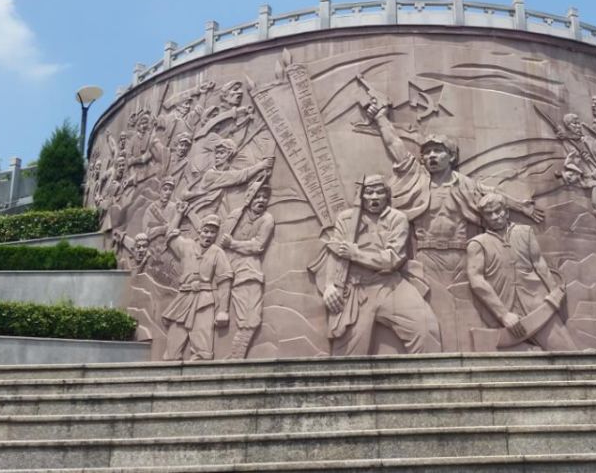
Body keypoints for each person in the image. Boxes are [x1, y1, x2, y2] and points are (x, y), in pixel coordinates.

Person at [365, 98, 543, 351]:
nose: (431, 156)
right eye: (426, 152)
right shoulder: (416, 180)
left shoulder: (467, 185)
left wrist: (523, 207)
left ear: (451, 156)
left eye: (437, 151)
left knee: (470, 308)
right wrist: (381, 118)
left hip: (461, 255)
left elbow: (495, 196)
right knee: (430, 309)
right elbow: (395, 146)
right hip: (427, 257)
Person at [308, 175, 441, 356]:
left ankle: (427, 380)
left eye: (379, 192)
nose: (374, 197)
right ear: (361, 196)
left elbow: (393, 259)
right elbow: (335, 251)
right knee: (347, 355)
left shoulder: (397, 219)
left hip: (390, 285)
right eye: (369, 193)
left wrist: (356, 254)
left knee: (426, 327)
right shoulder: (346, 219)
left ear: (387, 196)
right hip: (357, 289)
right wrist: (330, 286)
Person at [466, 194, 576, 351]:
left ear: (507, 211)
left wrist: (554, 293)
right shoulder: (477, 244)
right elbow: (476, 281)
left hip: (538, 305)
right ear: (483, 218)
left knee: (567, 351)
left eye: (498, 211)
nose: (495, 217)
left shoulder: (525, 232)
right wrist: (503, 314)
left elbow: (540, 264)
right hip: (505, 310)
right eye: (489, 214)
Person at [160, 206, 233, 360]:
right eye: (206, 231)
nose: (209, 235)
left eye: (213, 232)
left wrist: (224, 311)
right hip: (184, 300)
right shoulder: (186, 246)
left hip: (204, 303)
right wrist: (179, 214)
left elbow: (225, 280)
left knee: (203, 353)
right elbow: (171, 235)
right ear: (199, 231)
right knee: (171, 353)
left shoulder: (217, 252)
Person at [220, 181, 275, 358]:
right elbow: (221, 240)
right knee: (247, 320)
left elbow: (258, 246)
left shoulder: (267, 219)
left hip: (250, 272)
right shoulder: (236, 215)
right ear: (249, 197)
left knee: (251, 320)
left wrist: (233, 244)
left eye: (265, 197)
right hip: (231, 272)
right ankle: (236, 358)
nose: (262, 200)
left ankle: (236, 357)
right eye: (258, 196)